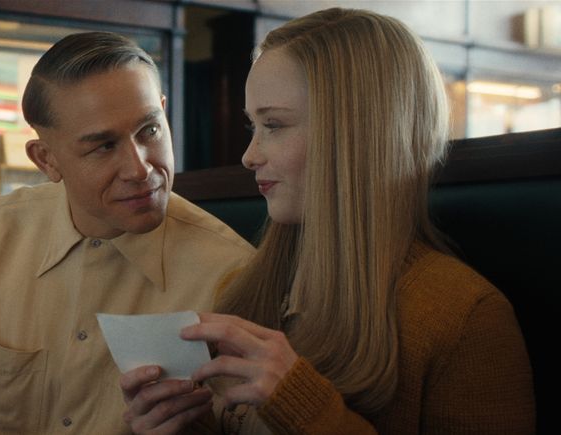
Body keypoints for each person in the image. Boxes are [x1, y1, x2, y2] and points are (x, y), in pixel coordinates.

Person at [120, 8, 535, 434]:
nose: (249, 155)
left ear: (355, 135)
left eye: (274, 125)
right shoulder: (244, 288)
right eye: (253, 126)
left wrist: (298, 402)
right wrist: (182, 424)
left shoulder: (464, 318)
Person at [0, 32, 254, 433]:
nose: (140, 169)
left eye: (150, 130)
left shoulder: (233, 273)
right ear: (46, 159)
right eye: (104, 146)